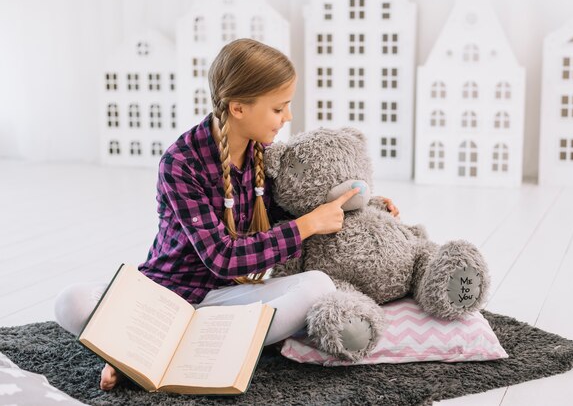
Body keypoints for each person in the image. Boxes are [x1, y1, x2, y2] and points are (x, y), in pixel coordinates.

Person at [54, 38, 399, 391]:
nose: (288, 118)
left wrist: (364, 204)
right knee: (72, 301)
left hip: (224, 300)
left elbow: (297, 201)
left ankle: (154, 350)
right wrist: (307, 226)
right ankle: (163, 350)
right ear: (238, 108)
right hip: (165, 295)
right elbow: (223, 257)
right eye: (279, 109)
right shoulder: (180, 163)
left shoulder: (263, 154)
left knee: (317, 285)